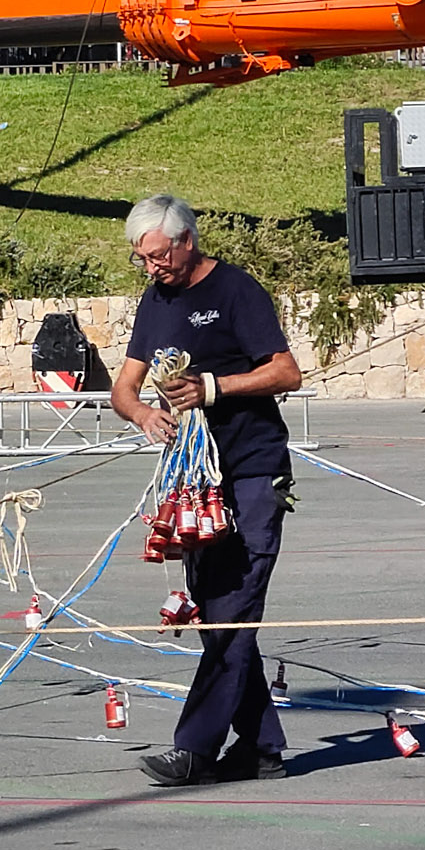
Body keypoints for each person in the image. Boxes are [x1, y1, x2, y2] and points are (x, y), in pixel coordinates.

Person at [111, 194, 304, 787]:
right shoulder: (155, 300)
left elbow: (286, 373)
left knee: (233, 608)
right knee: (215, 609)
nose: (152, 269)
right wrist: (143, 415)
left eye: (158, 256)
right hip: (192, 483)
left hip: (250, 470)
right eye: (141, 261)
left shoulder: (236, 292)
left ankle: (193, 750)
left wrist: (215, 390)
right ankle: (263, 748)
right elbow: (125, 387)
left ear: (187, 240)